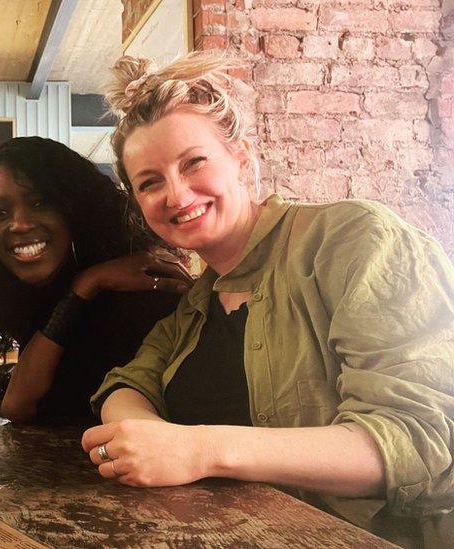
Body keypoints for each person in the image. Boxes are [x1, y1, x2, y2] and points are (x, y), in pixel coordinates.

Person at [82, 52, 454, 537]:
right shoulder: (196, 304)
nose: (175, 196)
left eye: (193, 163)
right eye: (150, 183)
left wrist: (196, 449)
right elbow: (128, 384)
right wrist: (140, 435)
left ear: (241, 157)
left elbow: (419, 439)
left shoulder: (354, 239)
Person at [0, 137, 192, 424]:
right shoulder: (60, 292)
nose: (19, 223)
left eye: (39, 203)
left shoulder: (137, 296)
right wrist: (87, 283)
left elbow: (19, 406)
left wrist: (84, 287)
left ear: (76, 209)